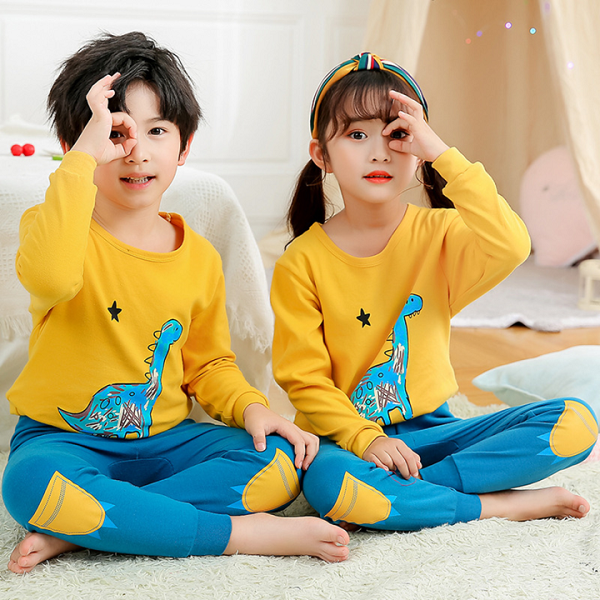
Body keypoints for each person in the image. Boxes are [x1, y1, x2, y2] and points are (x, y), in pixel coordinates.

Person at [3, 32, 350, 574]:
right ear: (79, 144)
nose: (137, 151)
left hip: (166, 444)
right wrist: (83, 158)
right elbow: (50, 275)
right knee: (28, 484)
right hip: (63, 442)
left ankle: (91, 526)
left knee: (279, 462)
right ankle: (235, 535)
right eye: (115, 132)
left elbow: (209, 365)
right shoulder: (52, 228)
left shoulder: (199, 258)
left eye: (157, 131)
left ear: (184, 147)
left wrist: (253, 407)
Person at [270, 52, 598, 533]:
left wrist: (443, 154)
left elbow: (512, 243)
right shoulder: (301, 262)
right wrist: (365, 439)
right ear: (321, 155)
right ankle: (498, 505)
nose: (379, 153)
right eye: (357, 135)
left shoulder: (441, 233)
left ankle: (405, 495)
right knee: (330, 486)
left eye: (396, 135)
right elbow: (305, 381)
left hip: (436, 433)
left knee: (577, 423)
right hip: (348, 442)